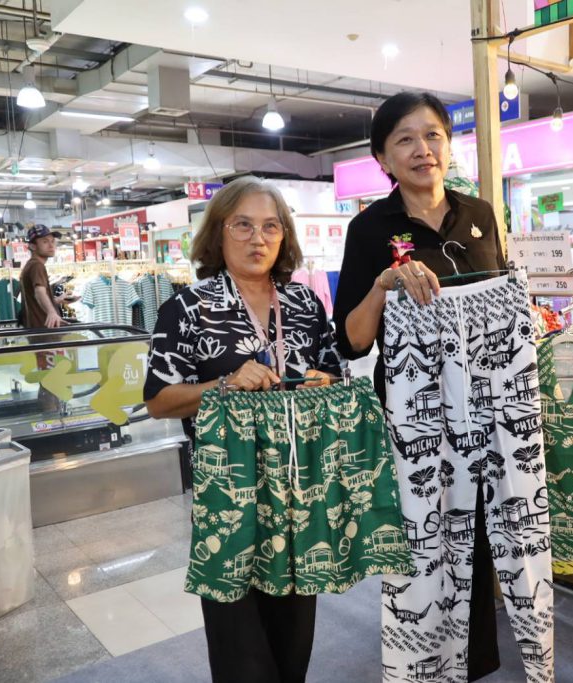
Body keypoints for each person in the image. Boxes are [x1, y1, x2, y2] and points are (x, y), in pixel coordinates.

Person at [332, 91, 508, 681]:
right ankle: (422, 658)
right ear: (383, 158)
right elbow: (352, 341)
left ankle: (475, 661)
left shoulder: (479, 213)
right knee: (422, 534)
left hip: (483, 402)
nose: (422, 149)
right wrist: (382, 287)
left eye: (432, 135)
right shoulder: (369, 228)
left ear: (448, 145)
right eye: (404, 139)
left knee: (478, 532)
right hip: (414, 411)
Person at [144, 176, 341, 683]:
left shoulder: (305, 304)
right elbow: (159, 400)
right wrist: (225, 383)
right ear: (218, 233)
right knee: (240, 648)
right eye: (243, 225)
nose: (258, 238)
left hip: (299, 493)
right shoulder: (187, 309)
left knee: (293, 642)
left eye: (271, 227)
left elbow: (333, 375)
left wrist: (323, 382)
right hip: (228, 498)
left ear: (284, 236)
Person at [19, 225, 68, 328]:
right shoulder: (37, 266)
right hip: (44, 328)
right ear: (33, 246)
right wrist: (52, 312)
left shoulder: (31, 265)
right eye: (45, 242)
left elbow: (34, 299)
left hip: (37, 327)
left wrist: (57, 300)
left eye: (52, 241)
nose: (51, 246)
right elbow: (39, 292)